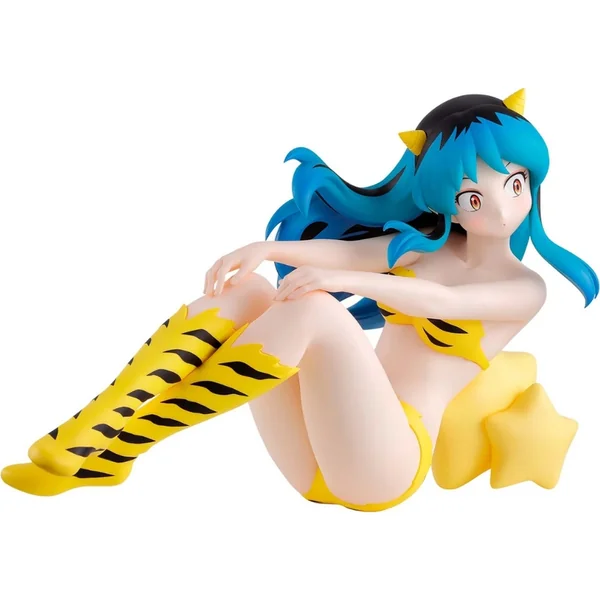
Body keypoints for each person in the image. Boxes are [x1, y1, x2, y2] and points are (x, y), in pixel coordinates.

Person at [3, 89, 597, 510]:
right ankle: (101, 431)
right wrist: (262, 248)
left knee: (316, 308)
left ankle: (121, 444)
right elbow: (346, 256)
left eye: (514, 184)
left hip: (387, 466)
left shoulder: (525, 289)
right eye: (472, 197)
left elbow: (439, 301)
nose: (500, 208)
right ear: (448, 204)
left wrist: (350, 286)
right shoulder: (422, 250)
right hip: (316, 462)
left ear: (533, 182)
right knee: (250, 291)